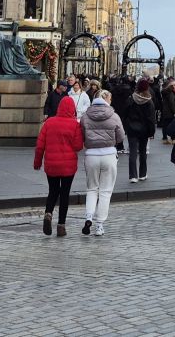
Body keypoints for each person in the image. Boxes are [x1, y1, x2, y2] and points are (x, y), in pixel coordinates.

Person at [79, 82, 126, 236]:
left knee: (92, 189)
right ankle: (99, 225)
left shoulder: (86, 116)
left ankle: (88, 216)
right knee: (105, 191)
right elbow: (120, 137)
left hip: (91, 154)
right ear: (108, 100)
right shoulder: (114, 115)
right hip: (109, 155)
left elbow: (82, 135)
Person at [34, 95, 84, 236]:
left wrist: (37, 162)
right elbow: (78, 146)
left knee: (53, 191)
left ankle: (48, 214)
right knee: (64, 194)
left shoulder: (49, 122)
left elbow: (39, 146)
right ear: (72, 109)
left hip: (51, 164)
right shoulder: (75, 125)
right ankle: (61, 226)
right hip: (68, 166)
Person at [123, 78, 158, 183]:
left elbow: (125, 114)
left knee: (132, 152)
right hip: (144, 130)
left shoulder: (131, 99)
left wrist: (126, 127)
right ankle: (143, 174)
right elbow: (151, 119)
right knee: (143, 152)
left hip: (132, 129)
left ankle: (133, 175)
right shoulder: (149, 102)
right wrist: (151, 132)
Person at [159, 78, 175, 144]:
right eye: (174, 85)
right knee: (173, 125)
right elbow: (171, 103)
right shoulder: (171, 93)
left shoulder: (166, 91)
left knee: (165, 125)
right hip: (170, 112)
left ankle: (165, 138)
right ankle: (172, 138)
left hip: (165, 111)